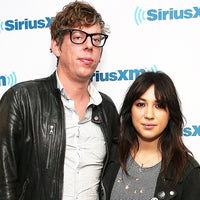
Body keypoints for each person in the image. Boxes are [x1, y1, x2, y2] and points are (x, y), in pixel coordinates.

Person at [0, 1, 119, 200]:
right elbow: (3, 182)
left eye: (96, 39)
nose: (89, 45)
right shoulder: (22, 99)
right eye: (79, 37)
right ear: (56, 46)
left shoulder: (106, 109)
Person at [110, 71, 200, 200]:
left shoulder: (189, 173)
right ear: (130, 110)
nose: (149, 115)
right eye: (141, 104)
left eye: (159, 106)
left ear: (170, 114)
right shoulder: (110, 156)